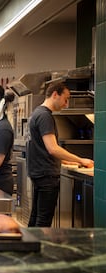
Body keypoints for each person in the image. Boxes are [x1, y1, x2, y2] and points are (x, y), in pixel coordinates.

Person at [26, 82, 94, 227]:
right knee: (43, 221)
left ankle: (29, 246)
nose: (66, 104)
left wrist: (66, 162)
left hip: (39, 173)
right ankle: (39, 248)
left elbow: (42, 149)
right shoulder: (45, 116)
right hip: (47, 176)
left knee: (36, 217)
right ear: (55, 94)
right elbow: (53, 149)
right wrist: (81, 160)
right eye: (65, 99)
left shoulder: (37, 113)